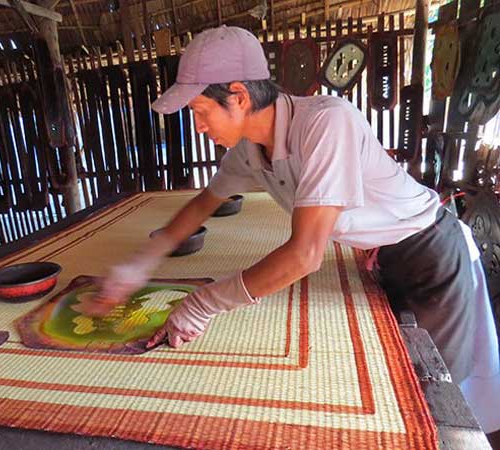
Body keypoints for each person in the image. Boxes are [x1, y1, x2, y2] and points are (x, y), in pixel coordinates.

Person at [77, 26, 500, 436]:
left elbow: (304, 255)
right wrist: (139, 265)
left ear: (239, 96)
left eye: (200, 112)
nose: (198, 127)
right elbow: (203, 203)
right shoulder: (248, 149)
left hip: (431, 257)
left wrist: (203, 304)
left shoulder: (326, 124)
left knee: (433, 401)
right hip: (383, 252)